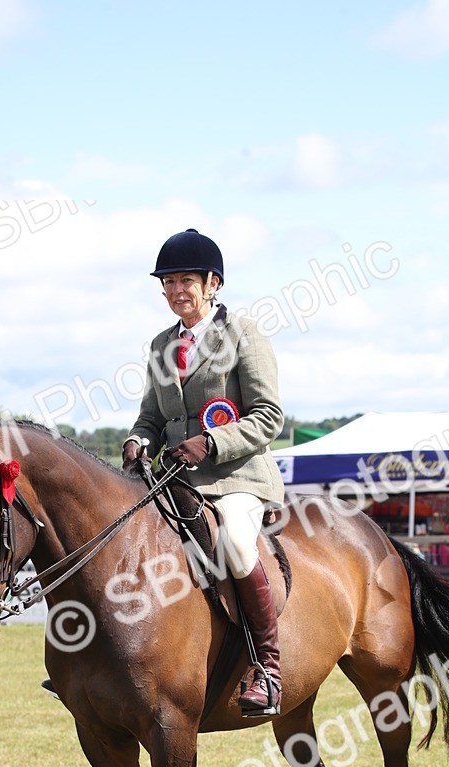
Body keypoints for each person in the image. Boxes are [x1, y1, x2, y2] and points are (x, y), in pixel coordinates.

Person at [123, 229, 286, 717]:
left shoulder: (243, 335)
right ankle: (107, 660)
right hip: (175, 477)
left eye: (185, 280)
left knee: (235, 543)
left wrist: (212, 442)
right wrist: (138, 440)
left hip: (237, 476)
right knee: (124, 540)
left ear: (213, 283)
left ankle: (268, 667)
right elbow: (152, 416)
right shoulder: (159, 345)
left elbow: (268, 415)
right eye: (168, 282)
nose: (176, 290)